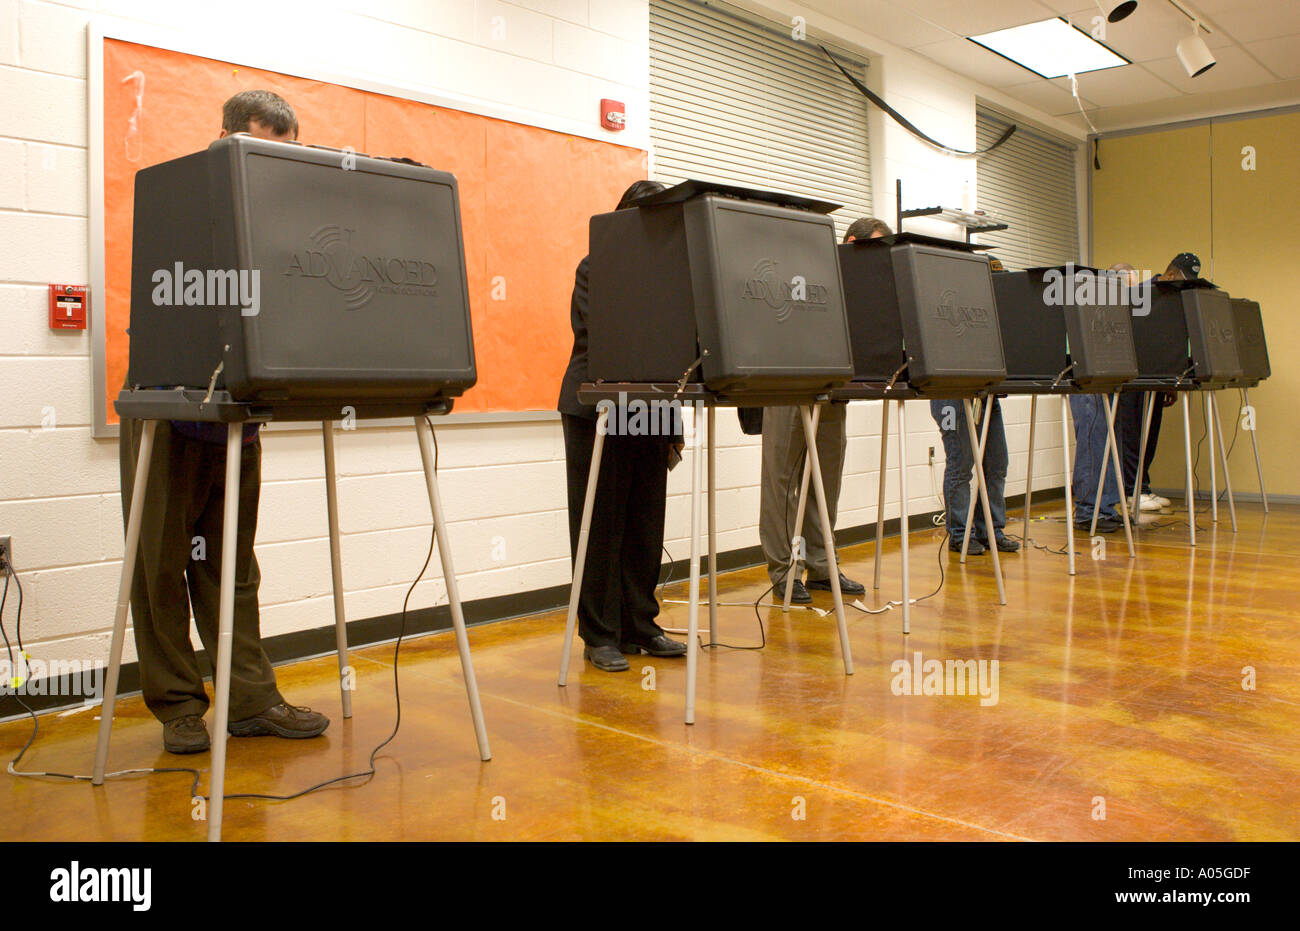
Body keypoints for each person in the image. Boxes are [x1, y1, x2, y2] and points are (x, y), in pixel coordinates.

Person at [119, 90, 328, 754]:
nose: (277, 165)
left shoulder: (284, 224)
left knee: (233, 566)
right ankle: (179, 706)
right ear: (228, 140)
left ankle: (250, 700)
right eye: (267, 148)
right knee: (160, 565)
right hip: (170, 412)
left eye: (288, 152)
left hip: (239, 416)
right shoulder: (184, 202)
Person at [558, 180, 687, 672]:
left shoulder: (676, 278)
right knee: (600, 523)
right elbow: (602, 337)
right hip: (598, 404)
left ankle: (640, 624)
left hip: (651, 405)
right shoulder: (597, 267)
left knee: (644, 521)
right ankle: (599, 634)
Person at [755, 218, 886, 604]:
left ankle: (823, 565)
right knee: (781, 481)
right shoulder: (801, 267)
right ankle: (783, 570)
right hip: (787, 383)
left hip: (834, 389)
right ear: (849, 243)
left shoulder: (862, 287)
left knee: (826, 481)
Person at [1117, 252, 1201, 511]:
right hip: (1134, 375)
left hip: (1158, 378)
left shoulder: (1173, 298)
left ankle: (1143, 486)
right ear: (1172, 273)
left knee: (1149, 434)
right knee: (1132, 433)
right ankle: (1131, 490)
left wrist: (1169, 383)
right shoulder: (1141, 294)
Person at [1067, 263, 1135, 533]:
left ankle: (1105, 507)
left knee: (1107, 444)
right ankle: (1088, 511)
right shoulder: (1089, 308)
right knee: (1092, 444)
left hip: (1105, 381)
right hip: (1088, 383)